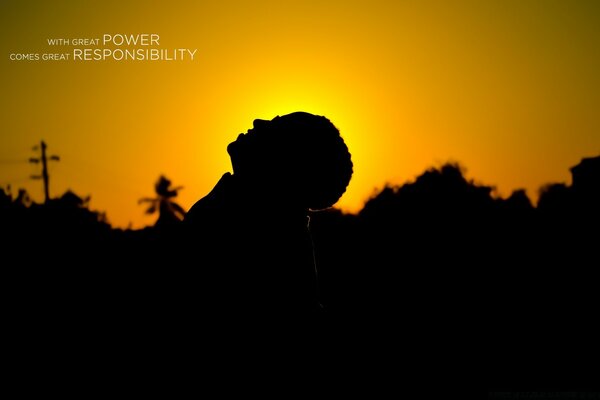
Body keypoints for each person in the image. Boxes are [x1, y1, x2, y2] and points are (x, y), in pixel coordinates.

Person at [184, 111, 353, 313]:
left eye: (275, 127)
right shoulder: (240, 210)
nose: (258, 122)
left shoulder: (266, 241)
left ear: (285, 162)